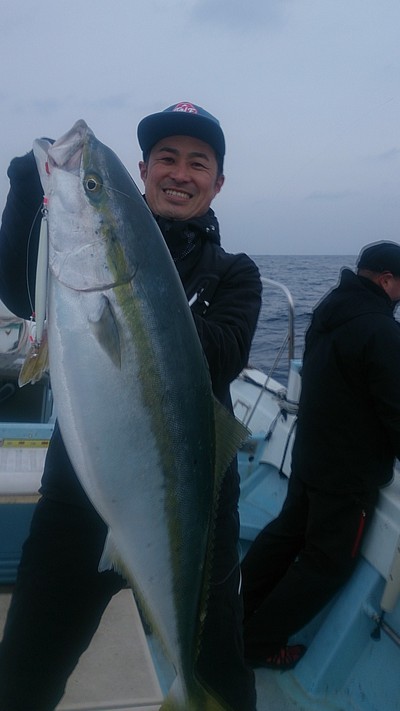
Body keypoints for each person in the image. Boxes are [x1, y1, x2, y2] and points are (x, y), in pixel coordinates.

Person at [0, 101, 261, 711]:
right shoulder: (86, 247)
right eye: (166, 158)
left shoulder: (235, 274)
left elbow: (222, 356)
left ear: (217, 182)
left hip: (195, 506)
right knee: (22, 676)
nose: (180, 172)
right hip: (78, 497)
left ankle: (190, 691)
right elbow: (15, 286)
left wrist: (139, 289)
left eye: (198, 163)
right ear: (143, 171)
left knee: (220, 676)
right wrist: (22, 191)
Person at [241, 241, 400, 671]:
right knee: (327, 565)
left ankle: (232, 610)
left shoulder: (331, 307)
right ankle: (257, 643)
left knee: (284, 536)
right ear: (386, 280)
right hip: (347, 475)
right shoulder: (383, 331)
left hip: (309, 454)